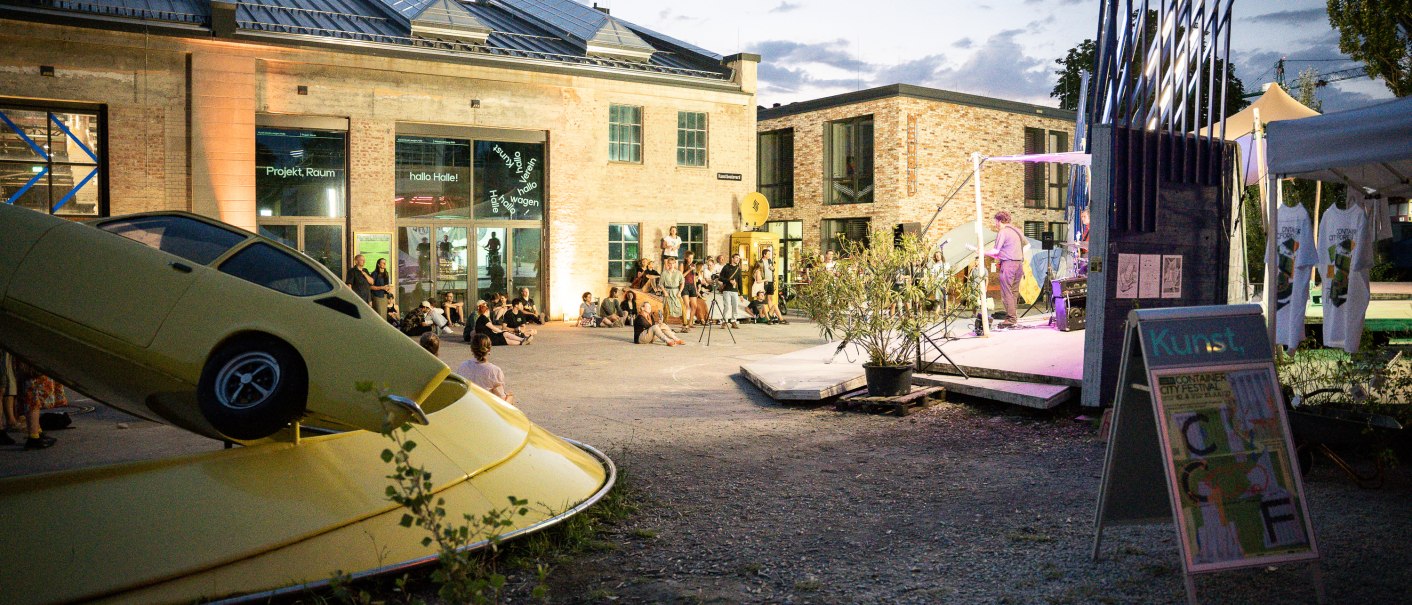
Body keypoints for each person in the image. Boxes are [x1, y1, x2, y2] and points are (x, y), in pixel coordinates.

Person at [985, 210, 1026, 328]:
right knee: (1013, 291)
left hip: (1008, 265)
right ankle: (1012, 317)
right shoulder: (1018, 231)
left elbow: (995, 251)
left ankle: (1011, 318)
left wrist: (983, 252)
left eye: (995, 221)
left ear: (999, 221)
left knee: (1006, 291)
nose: (995, 224)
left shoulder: (1003, 232)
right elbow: (1026, 245)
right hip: (1019, 264)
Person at [10, 357, 62, 449]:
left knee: (32, 394)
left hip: (27, 358)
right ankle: (33, 437)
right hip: (30, 359)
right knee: (33, 395)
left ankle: (36, 431)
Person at [458, 334, 516, 405]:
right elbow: (501, 399)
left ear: (472, 349)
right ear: (489, 349)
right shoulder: (494, 370)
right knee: (510, 397)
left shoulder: (463, 366)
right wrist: (510, 397)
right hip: (486, 408)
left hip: (468, 405)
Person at [716, 253, 743, 328]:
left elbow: (740, 282)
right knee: (727, 306)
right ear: (732, 258)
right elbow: (720, 278)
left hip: (734, 290)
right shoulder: (726, 267)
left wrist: (741, 294)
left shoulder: (738, 269)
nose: (738, 259)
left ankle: (733, 321)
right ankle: (724, 321)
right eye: (736, 258)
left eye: (739, 258)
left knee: (735, 306)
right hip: (727, 290)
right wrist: (729, 281)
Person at [659, 257, 687, 331]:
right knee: (666, 309)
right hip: (667, 292)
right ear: (668, 264)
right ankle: (664, 325)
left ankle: (685, 325)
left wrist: (680, 292)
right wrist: (664, 291)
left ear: (675, 264)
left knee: (682, 307)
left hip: (676, 291)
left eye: (673, 263)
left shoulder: (678, 273)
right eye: (670, 263)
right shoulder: (664, 273)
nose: (671, 265)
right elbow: (661, 284)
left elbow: (682, 282)